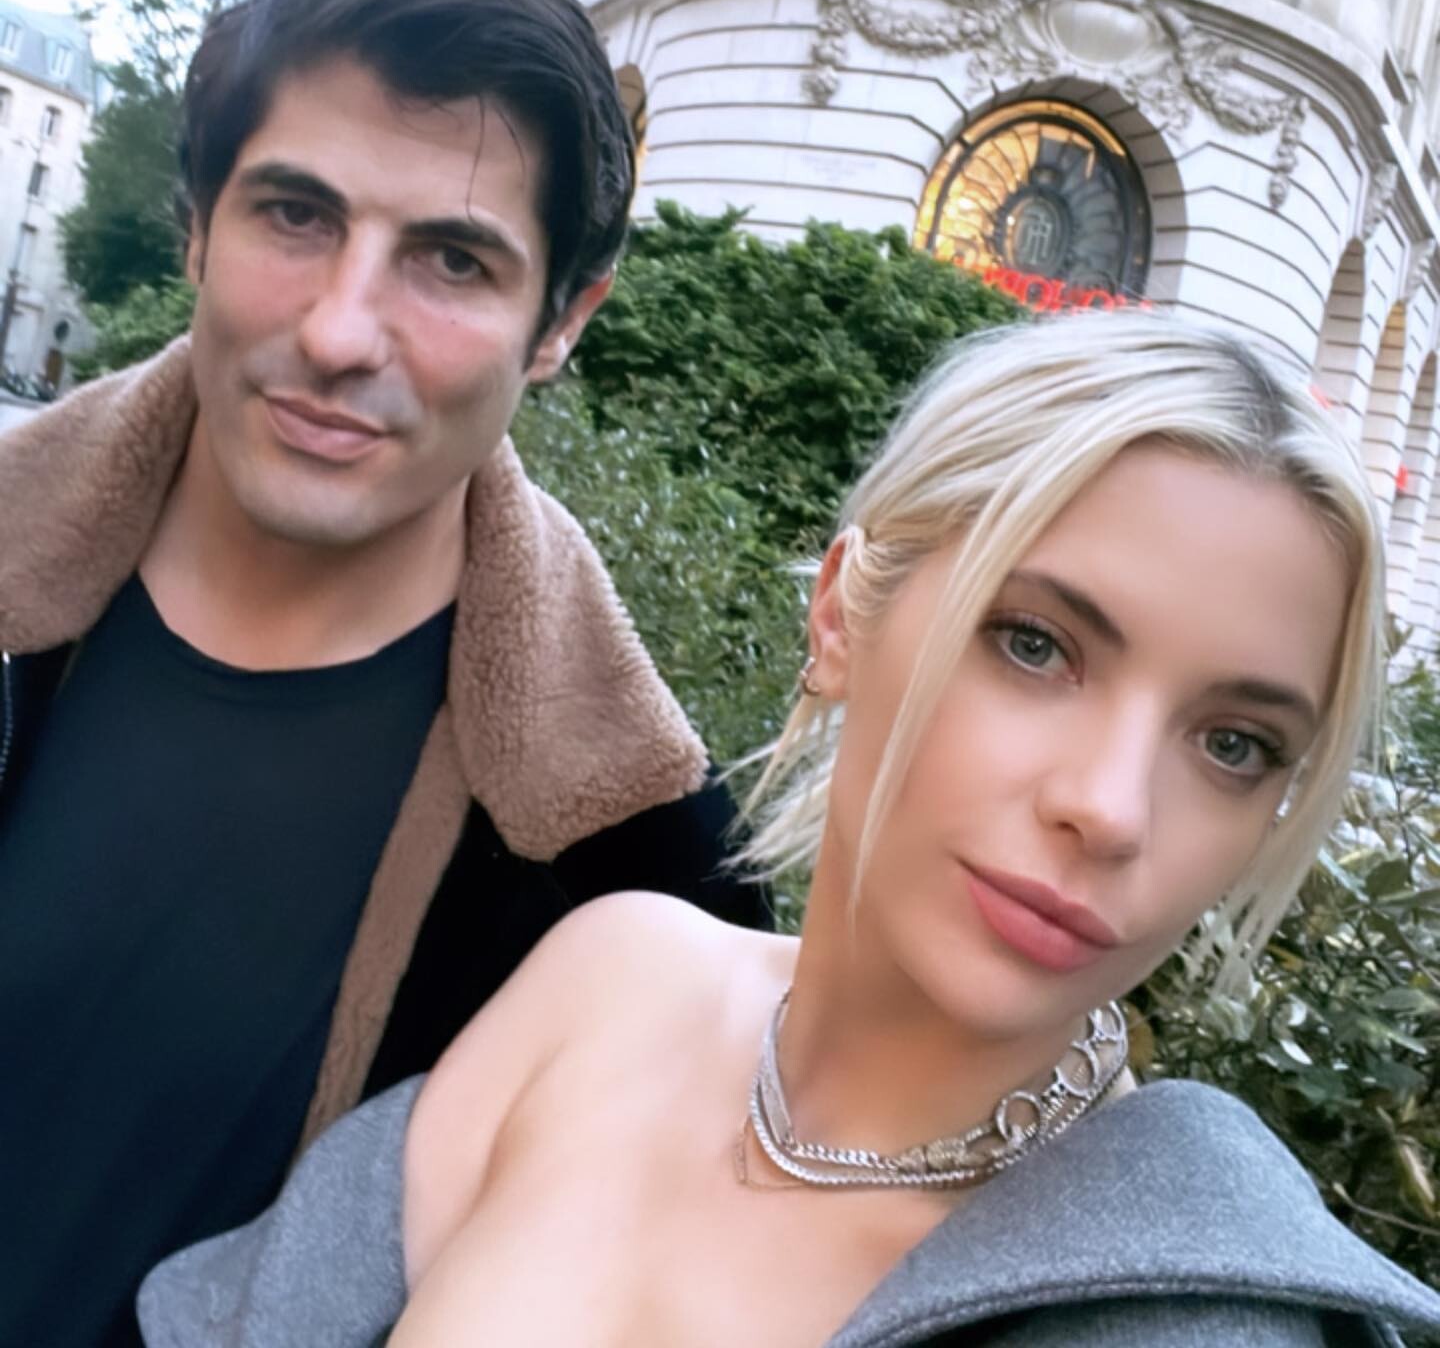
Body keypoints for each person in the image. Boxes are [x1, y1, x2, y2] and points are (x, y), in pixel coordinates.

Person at [138, 310, 1440, 1347]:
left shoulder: (1184, 1315)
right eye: (1036, 644)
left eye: (1233, 744)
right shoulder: (616, 976)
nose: (1109, 809)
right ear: (840, 616)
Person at [0, 0, 765, 1348]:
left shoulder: (636, 870)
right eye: (296, 215)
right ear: (198, 228)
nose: (342, 332)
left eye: (453, 261)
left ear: (563, 323)